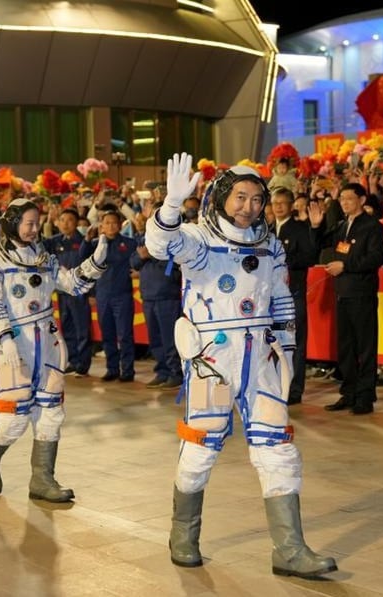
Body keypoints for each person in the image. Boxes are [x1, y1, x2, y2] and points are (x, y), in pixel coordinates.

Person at [146, 153, 337, 579]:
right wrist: (172, 207)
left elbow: (283, 298)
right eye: (240, 197)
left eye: (256, 199)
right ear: (219, 198)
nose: (248, 207)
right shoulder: (198, 238)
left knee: (278, 448)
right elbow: (161, 245)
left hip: (261, 355)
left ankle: (289, 548)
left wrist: (287, 350)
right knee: (201, 447)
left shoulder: (269, 243)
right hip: (212, 359)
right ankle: (184, 535)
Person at [0, 199, 109, 500]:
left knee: (51, 412)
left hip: (46, 343)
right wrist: (4, 338)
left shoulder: (44, 258)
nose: (35, 229)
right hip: (13, 346)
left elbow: (72, 284)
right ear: (12, 224)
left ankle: (43, 479)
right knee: (14, 417)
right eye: (28, 224)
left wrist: (95, 263)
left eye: (37, 223)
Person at [319, 182, 383, 415]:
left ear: (362, 200)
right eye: (342, 199)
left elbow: (376, 258)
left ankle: (365, 396)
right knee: (345, 347)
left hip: (361, 293)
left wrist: (344, 265)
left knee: (365, 347)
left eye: (349, 198)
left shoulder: (372, 226)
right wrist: (318, 224)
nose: (345, 202)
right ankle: (348, 393)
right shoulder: (342, 226)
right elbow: (321, 241)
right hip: (342, 293)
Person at [269, 187, 321, 404]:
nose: (278, 207)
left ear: (291, 206)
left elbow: (310, 256)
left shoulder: (299, 228)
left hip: (291, 296)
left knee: (293, 342)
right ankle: (273, 385)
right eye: (275, 203)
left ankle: (293, 389)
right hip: (269, 298)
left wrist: (281, 262)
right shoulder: (267, 230)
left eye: (282, 202)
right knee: (272, 342)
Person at [131, 203, 183, 389]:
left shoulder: (176, 237)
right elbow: (134, 261)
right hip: (148, 295)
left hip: (167, 295)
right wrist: (142, 257)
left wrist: (150, 255)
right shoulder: (144, 237)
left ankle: (176, 373)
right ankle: (162, 371)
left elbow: (174, 267)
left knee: (170, 338)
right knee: (155, 338)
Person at [43, 208, 94, 376]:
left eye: (70, 220)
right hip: (62, 292)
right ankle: (73, 359)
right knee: (67, 326)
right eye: (62, 219)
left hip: (78, 291)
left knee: (82, 328)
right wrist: (47, 223)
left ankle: (83, 363)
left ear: (77, 223)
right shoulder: (55, 241)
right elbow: (39, 245)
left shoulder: (84, 242)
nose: (65, 223)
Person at [90, 209, 136, 381]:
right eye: (107, 223)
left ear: (119, 225)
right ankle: (112, 369)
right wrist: (92, 293)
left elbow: (139, 259)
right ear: (101, 225)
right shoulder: (95, 244)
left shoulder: (129, 243)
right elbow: (88, 268)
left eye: (114, 222)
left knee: (124, 334)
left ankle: (128, 370)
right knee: (107, 334)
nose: (110, 226)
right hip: (102, 295)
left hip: (122, 294)